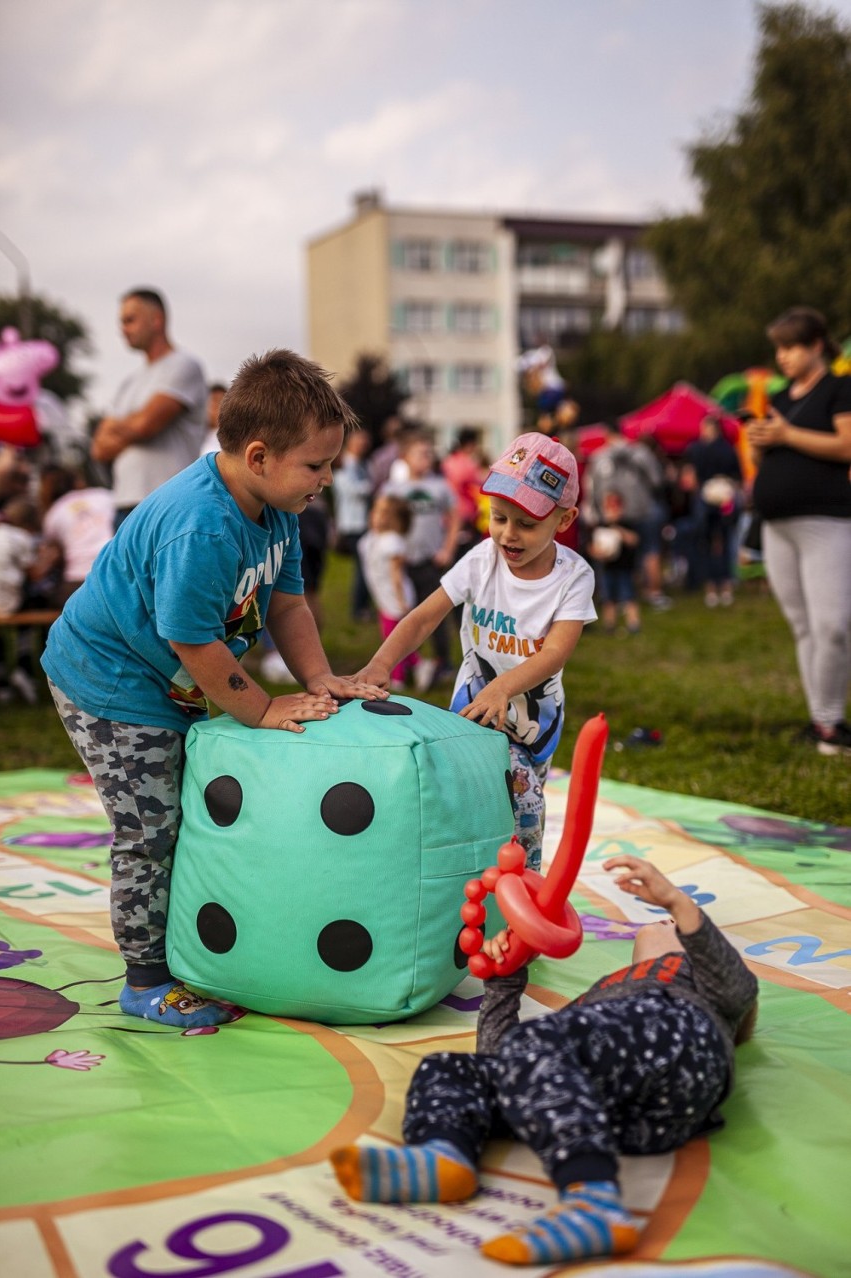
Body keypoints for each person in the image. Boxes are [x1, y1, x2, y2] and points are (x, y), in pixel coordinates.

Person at [41, 349, 386, 1029]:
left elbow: (287, 606)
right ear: (258, 457)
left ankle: (200, 949)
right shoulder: (201, 525)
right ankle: (144, 979)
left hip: (170, 682)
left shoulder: (277, 508)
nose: (326, 479)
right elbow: (193, 641)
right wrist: (259, 707)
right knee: (151, 828)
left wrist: (318, 679)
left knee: (197, 815)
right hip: (110, 683)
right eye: (316, 466)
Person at [330, 854, 759, 1269]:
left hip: (682, 1053)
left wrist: (679, 904)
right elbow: (510, 1068)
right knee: (452, 1067)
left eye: (675, 928)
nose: (662, 925)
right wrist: (503, 981)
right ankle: (446, 1153)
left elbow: (739, 990)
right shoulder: (601, 1002)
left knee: (538, 1044)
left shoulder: (691, 988)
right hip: (620, 1120)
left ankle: (595, 1200)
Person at [360, 432, 596, 877]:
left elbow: (556, 654)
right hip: (471, 710)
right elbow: (422, 618)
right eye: (499, 517)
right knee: (466, 797)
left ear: (564, 521)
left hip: (531, 723)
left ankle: (523, 895)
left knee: (523, 805)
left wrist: (503, 688)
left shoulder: (573, 578)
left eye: (526, 524)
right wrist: (380, 664)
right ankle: (462, 879)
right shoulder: (481, 559)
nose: (509, 534)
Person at [747, 307, 851, 756]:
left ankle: (830, 721)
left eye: (790, 347)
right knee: (804, 626)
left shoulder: (839, 388)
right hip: (777, 525)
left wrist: (786, 435)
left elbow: (846, 445)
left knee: (833, 626)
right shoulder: (782, 398)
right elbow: (769, 462)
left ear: (815, 346)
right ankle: (821, 721)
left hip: (826, 520)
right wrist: (760, 442)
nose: (782, 357)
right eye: (778, 349)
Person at [90, 288, 207, 527]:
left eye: (130, 320)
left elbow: (145, 425)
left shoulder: (183, 365)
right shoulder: (129, 381)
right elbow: (99, 448)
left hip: (169, 503)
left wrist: (117, 426)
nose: (122, 329)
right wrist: (132, 426)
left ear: (156, 320)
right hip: (124, 506)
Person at [380, 432, 462, 685]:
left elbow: (455, 517)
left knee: (435, 615)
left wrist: (447, 549)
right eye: (420, 453)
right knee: (403, 614)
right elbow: (381, 519)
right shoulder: (393, 489)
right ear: (405, 457)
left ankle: (443, 664)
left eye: (429, 453)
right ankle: (404, 665)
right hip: (401, 563)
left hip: (430, 561)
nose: (426, 458)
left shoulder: (439, 486)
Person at [582, 422, 671, 610]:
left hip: (612, 513)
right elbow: (657, 481)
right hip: (644, 510)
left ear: (607, 434)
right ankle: (654, 594)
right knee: (650, 552)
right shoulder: (640, 452)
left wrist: (598, 513)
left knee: (614, 556)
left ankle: (615, 597)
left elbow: (591, 487)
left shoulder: (599, 456)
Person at [358, 494, 423, 692]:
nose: (374, 515)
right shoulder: (375, 538)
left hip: (395, 600)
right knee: (399, 637)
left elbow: (396, 575)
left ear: (391, 518)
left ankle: (397, 678)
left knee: (391, 639)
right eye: (375, 510)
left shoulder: (392, 542)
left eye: (380, 512)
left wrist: (402, 602)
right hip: (385, 597)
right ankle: (418, 665)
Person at [0, 496, 60, 703]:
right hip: (8, 604)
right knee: (35, 601)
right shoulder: (20, 537)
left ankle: (3, 682)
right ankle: (24, 668)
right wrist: (51, 556)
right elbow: (36, 575)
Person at [682, 415, 743, 607]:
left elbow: (689, 479)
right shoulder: (728, 449)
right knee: (723, 541)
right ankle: (724, 586)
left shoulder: (697, 449)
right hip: (724, 499)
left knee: (707, 543)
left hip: (707, 499)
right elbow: (738, 477)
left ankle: (713, 587)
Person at [39, 464, 115, 606]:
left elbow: (55, 555)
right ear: (77, 481)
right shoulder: (104, 495)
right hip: (113, 571)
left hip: (77, 580)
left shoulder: (54, 512)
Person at [332, 428, 374, 620]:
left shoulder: (362, 464)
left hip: (363, 521)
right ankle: (358, 608)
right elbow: (349, 490)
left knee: (365, 566)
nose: (363, 446)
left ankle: (362, 606)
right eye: (360, 442)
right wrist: (371, 487)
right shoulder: (343, 463)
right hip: (352, 522)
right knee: (363, 566)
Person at [588, 489, 641, 634]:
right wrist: (599, 553)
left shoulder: (627, 524)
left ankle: (633, 623)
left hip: (625, 568)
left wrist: (618, 530)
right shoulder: (600, 526)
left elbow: (634, 540)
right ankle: (609, 625)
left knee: (628, 596)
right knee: (607, 598)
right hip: (606, 568)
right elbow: (592, 547)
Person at [441, 428, 486, 559]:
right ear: (470, 445)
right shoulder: (468, 464)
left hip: (447, 513)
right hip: (465, 515)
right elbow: (481, 482)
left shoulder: (448, 461)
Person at [198, 382, 228, 456]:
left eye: (221, 401)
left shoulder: (230, 439)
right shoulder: (195, 433)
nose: (217, 406)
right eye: (214, 401)